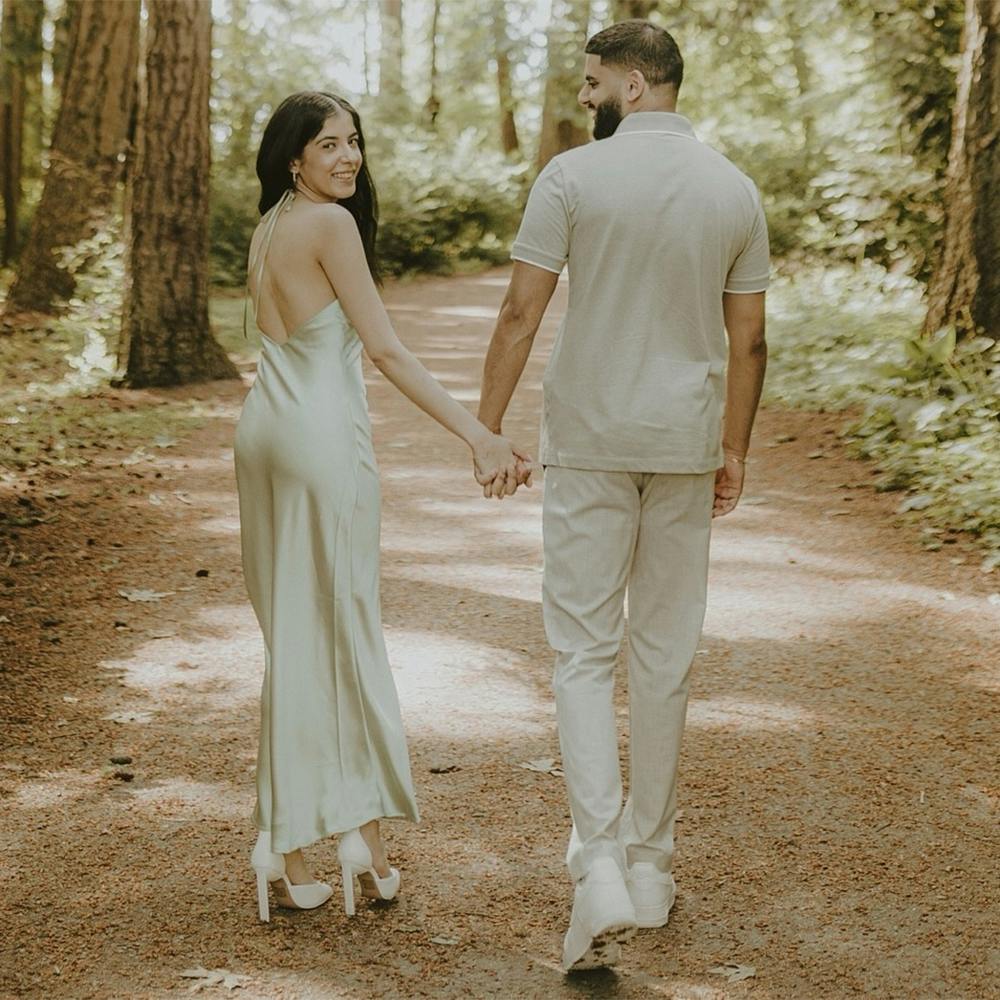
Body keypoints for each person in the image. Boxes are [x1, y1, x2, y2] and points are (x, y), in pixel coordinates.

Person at [478, 19, 769, 971]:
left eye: (597, 82)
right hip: (684, 447)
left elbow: (522, 311)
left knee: (579, 652)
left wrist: (489, 425)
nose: (588, 97)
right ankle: (650, 863)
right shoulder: (734, 188)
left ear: (636, 86)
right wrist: (734, 447)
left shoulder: (571, 177)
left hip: (592, 443)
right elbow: (749, 343)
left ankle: (597, 858)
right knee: (665, 654)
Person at [235, 91, 527, 923]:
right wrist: (480, 435)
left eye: (354, 141)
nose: (347, 157)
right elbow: (388, 350)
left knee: (295, 640)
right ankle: (361, 840)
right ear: (293, 156)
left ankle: (286, 851)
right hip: (321, 444)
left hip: (263, 435)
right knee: (345, 637)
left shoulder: (272, 224)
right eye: (328, 144)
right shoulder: (330, 226)